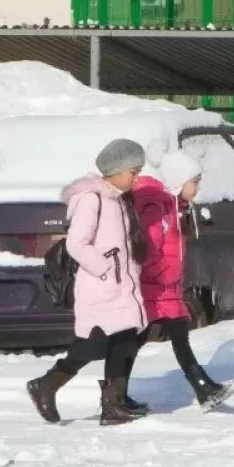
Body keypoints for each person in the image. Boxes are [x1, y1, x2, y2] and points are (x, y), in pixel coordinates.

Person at [27, 138, 151, 426]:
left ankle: (114, 404)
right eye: (133, 171)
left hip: (121, 287)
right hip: (101, 288)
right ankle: (47, 384)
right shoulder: (91, 199)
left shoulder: (117, 201)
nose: (137, 177)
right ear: (116, 169)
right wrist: (107, 270)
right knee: (91, 346)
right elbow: (77, 244)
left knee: (124, 342)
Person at [126, 150, 234, 411]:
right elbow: (150, 248)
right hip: (155, 286)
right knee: (138, 340)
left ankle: (204, 388)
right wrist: (163, 273)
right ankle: (112, 390)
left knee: (169, 336)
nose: (198, 188)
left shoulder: (175, 207)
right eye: (194, 182)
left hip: (166, 288)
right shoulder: (158, 207)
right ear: (179, 181)